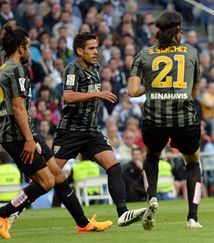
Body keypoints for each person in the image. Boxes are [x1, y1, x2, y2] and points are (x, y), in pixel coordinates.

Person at [0, 26, 112, 239]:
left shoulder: (4, 68)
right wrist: (29, 139)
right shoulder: (16, 70)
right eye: (28, 45)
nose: (30, 50)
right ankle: (4, 213)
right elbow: (17, 108)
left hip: (26, 132)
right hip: (18, 136)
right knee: (47, 182)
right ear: (21, 47)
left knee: (59, 175)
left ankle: (84, 224)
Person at [51, 32, 146, 227]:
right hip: (71, 132)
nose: (96, 52)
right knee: (49, 177)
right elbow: (67, 96)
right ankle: (11, 211)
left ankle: (122, 212)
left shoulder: (95, 67)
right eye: (91, 48)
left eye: (96, 47)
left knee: (114, 166)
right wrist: (97, 94)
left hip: (91, 131)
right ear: (79, 50)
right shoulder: (72, 69)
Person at [128, 10, 203, 229]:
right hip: (184, 118)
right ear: (178, 30)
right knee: (193, 162)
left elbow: (132, 92)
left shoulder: (144, 54)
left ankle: (151, 197)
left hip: (154, 119)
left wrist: (152, 88)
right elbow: (195, 89)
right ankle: (192, 218)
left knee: (152, 157)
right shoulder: (191, 53)